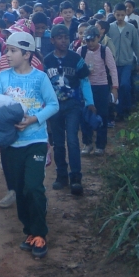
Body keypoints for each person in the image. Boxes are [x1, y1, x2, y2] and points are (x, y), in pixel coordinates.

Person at [0, 32, 58, 259]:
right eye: (7, 50)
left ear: (27, 54)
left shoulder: (40, 78)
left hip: (36, 141)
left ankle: (40, 234)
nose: (7, 55)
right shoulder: (2, 78)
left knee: (33, 187)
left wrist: (33, 119)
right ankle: (29, 231)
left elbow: (53, 104)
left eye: (12, 51)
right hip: (11, 144)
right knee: (19, 190)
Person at [43, 24, 94, 196]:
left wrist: (89, 102)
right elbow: (42, 85)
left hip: (73, 105)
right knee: (58, 143)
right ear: (52, 40)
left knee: (72, 140)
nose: (63, 40)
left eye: (66, 37)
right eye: (59, 37)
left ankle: (76, 178)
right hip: (54, 107)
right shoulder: (47, 61)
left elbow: (85, 80)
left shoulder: (76, 59)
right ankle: (61, 176)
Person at [77, 26, 118, 156]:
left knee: (102, 115)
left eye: (92, 40)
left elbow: (112, 69)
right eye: (87, 41)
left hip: (101, 86)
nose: (90, 44)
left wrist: (115, 88)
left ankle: (100, 144)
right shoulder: (81, 51)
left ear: (98, 38)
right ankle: (87, 143)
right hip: (85, 87)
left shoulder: (104, 51)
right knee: (85, 116)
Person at [109, 5, 139, 121]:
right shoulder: (110, 28)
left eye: (122, 15)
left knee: (125, 85)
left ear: (125, 15)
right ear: (114, 14)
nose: (120, 17)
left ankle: (127, 108)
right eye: (117, 15)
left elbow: (137, 46)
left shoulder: (131, 28)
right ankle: (118, 111)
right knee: (115, 87)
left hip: (127, 62)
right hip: (113, 63)